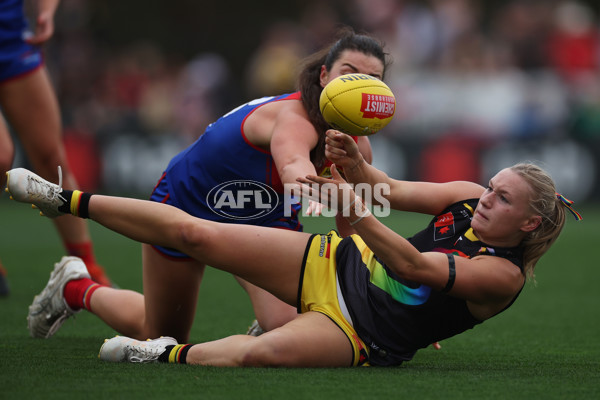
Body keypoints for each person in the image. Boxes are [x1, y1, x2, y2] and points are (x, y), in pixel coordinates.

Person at [5, 129, 581, 366]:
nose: (486, 198)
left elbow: (412, 266)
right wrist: (355, 167)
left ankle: (157, 355)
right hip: (329, 265)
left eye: (502, 200)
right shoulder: (464, 195)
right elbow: (392, 191)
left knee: (259, 354)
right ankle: (64, 198)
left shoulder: (502, 278)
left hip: (360, 334)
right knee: (195, 232)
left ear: (529, 224)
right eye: (492, 187)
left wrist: (355, 215)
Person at [12, 28, 387, 340]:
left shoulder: (359, 149)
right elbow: (293, 167)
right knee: (159, 335)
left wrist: (372, 291)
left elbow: (352, 230)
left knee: (285, 326)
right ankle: (75, 288)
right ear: (324, 76)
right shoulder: (295, 117)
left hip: (260, 219)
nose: (361, 86)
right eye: (350, 73)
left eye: (372, 80)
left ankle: (269, 322)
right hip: (186, 203)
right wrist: (326, 187)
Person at [0, 0, 111, 290]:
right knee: (1, 156)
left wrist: (46, 10)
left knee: (52, 160)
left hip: (12, 41)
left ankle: (85, 267)